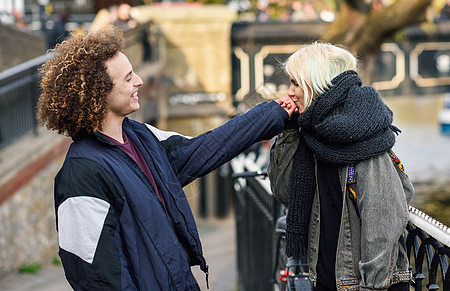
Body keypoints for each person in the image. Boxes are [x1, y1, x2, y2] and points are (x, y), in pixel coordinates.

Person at [37, 25, 296, 290]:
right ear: (98, 93)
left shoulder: (141, 136)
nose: (139, 80)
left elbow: (207, 148)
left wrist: (274, 113)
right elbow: (96, 276)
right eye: (128, 78)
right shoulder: (81, 174)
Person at [268, 42, 414, 291]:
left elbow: (383, 223)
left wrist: (371, 287)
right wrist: (289, 133)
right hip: (327, 278)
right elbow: (284, 193)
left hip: (366, 285)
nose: (290, 92)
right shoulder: (309, 134)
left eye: (296, 82)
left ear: (317, 82)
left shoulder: (365, 136)